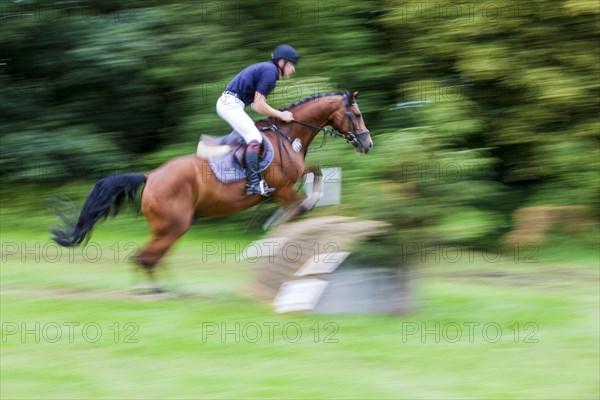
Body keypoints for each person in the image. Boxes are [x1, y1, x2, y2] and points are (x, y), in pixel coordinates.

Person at [216, 44, 298, 196]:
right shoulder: (271, 72)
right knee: (254, 137)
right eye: (292, 64)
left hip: (231, 104)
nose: (293, 69)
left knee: (251, 134)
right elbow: (258, 105)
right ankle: (253, 183)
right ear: (282, 62)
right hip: (230, 105)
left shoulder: (268, 70)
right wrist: (281, 115)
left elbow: (256, 104)